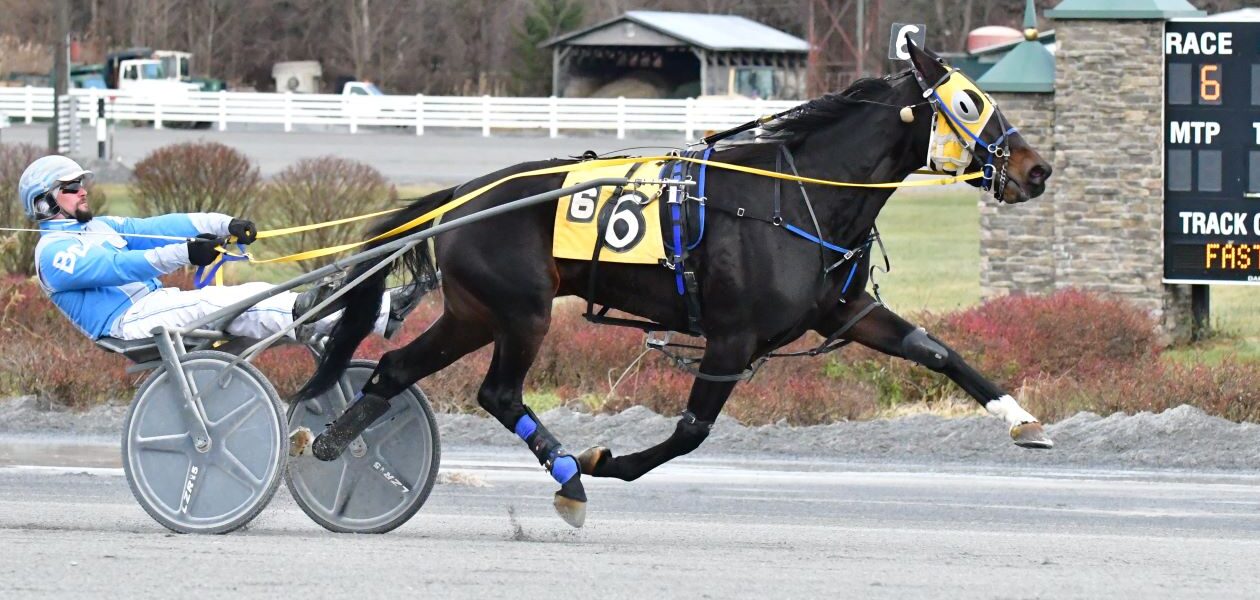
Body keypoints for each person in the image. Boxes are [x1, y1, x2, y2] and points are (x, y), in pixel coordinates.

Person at [19, 155, 413, 342]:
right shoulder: (54, 255)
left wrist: (223, 225)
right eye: (70, 187)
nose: (82, 189)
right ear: (44, 202)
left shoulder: (102, 226)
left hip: (156, 306)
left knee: (249, 314)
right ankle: (328, 309)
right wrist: (185, 255)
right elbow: (118, 267)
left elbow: (157, 228)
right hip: (128, 322)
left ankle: (380, 312)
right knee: (245, 297)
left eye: (80, 182)